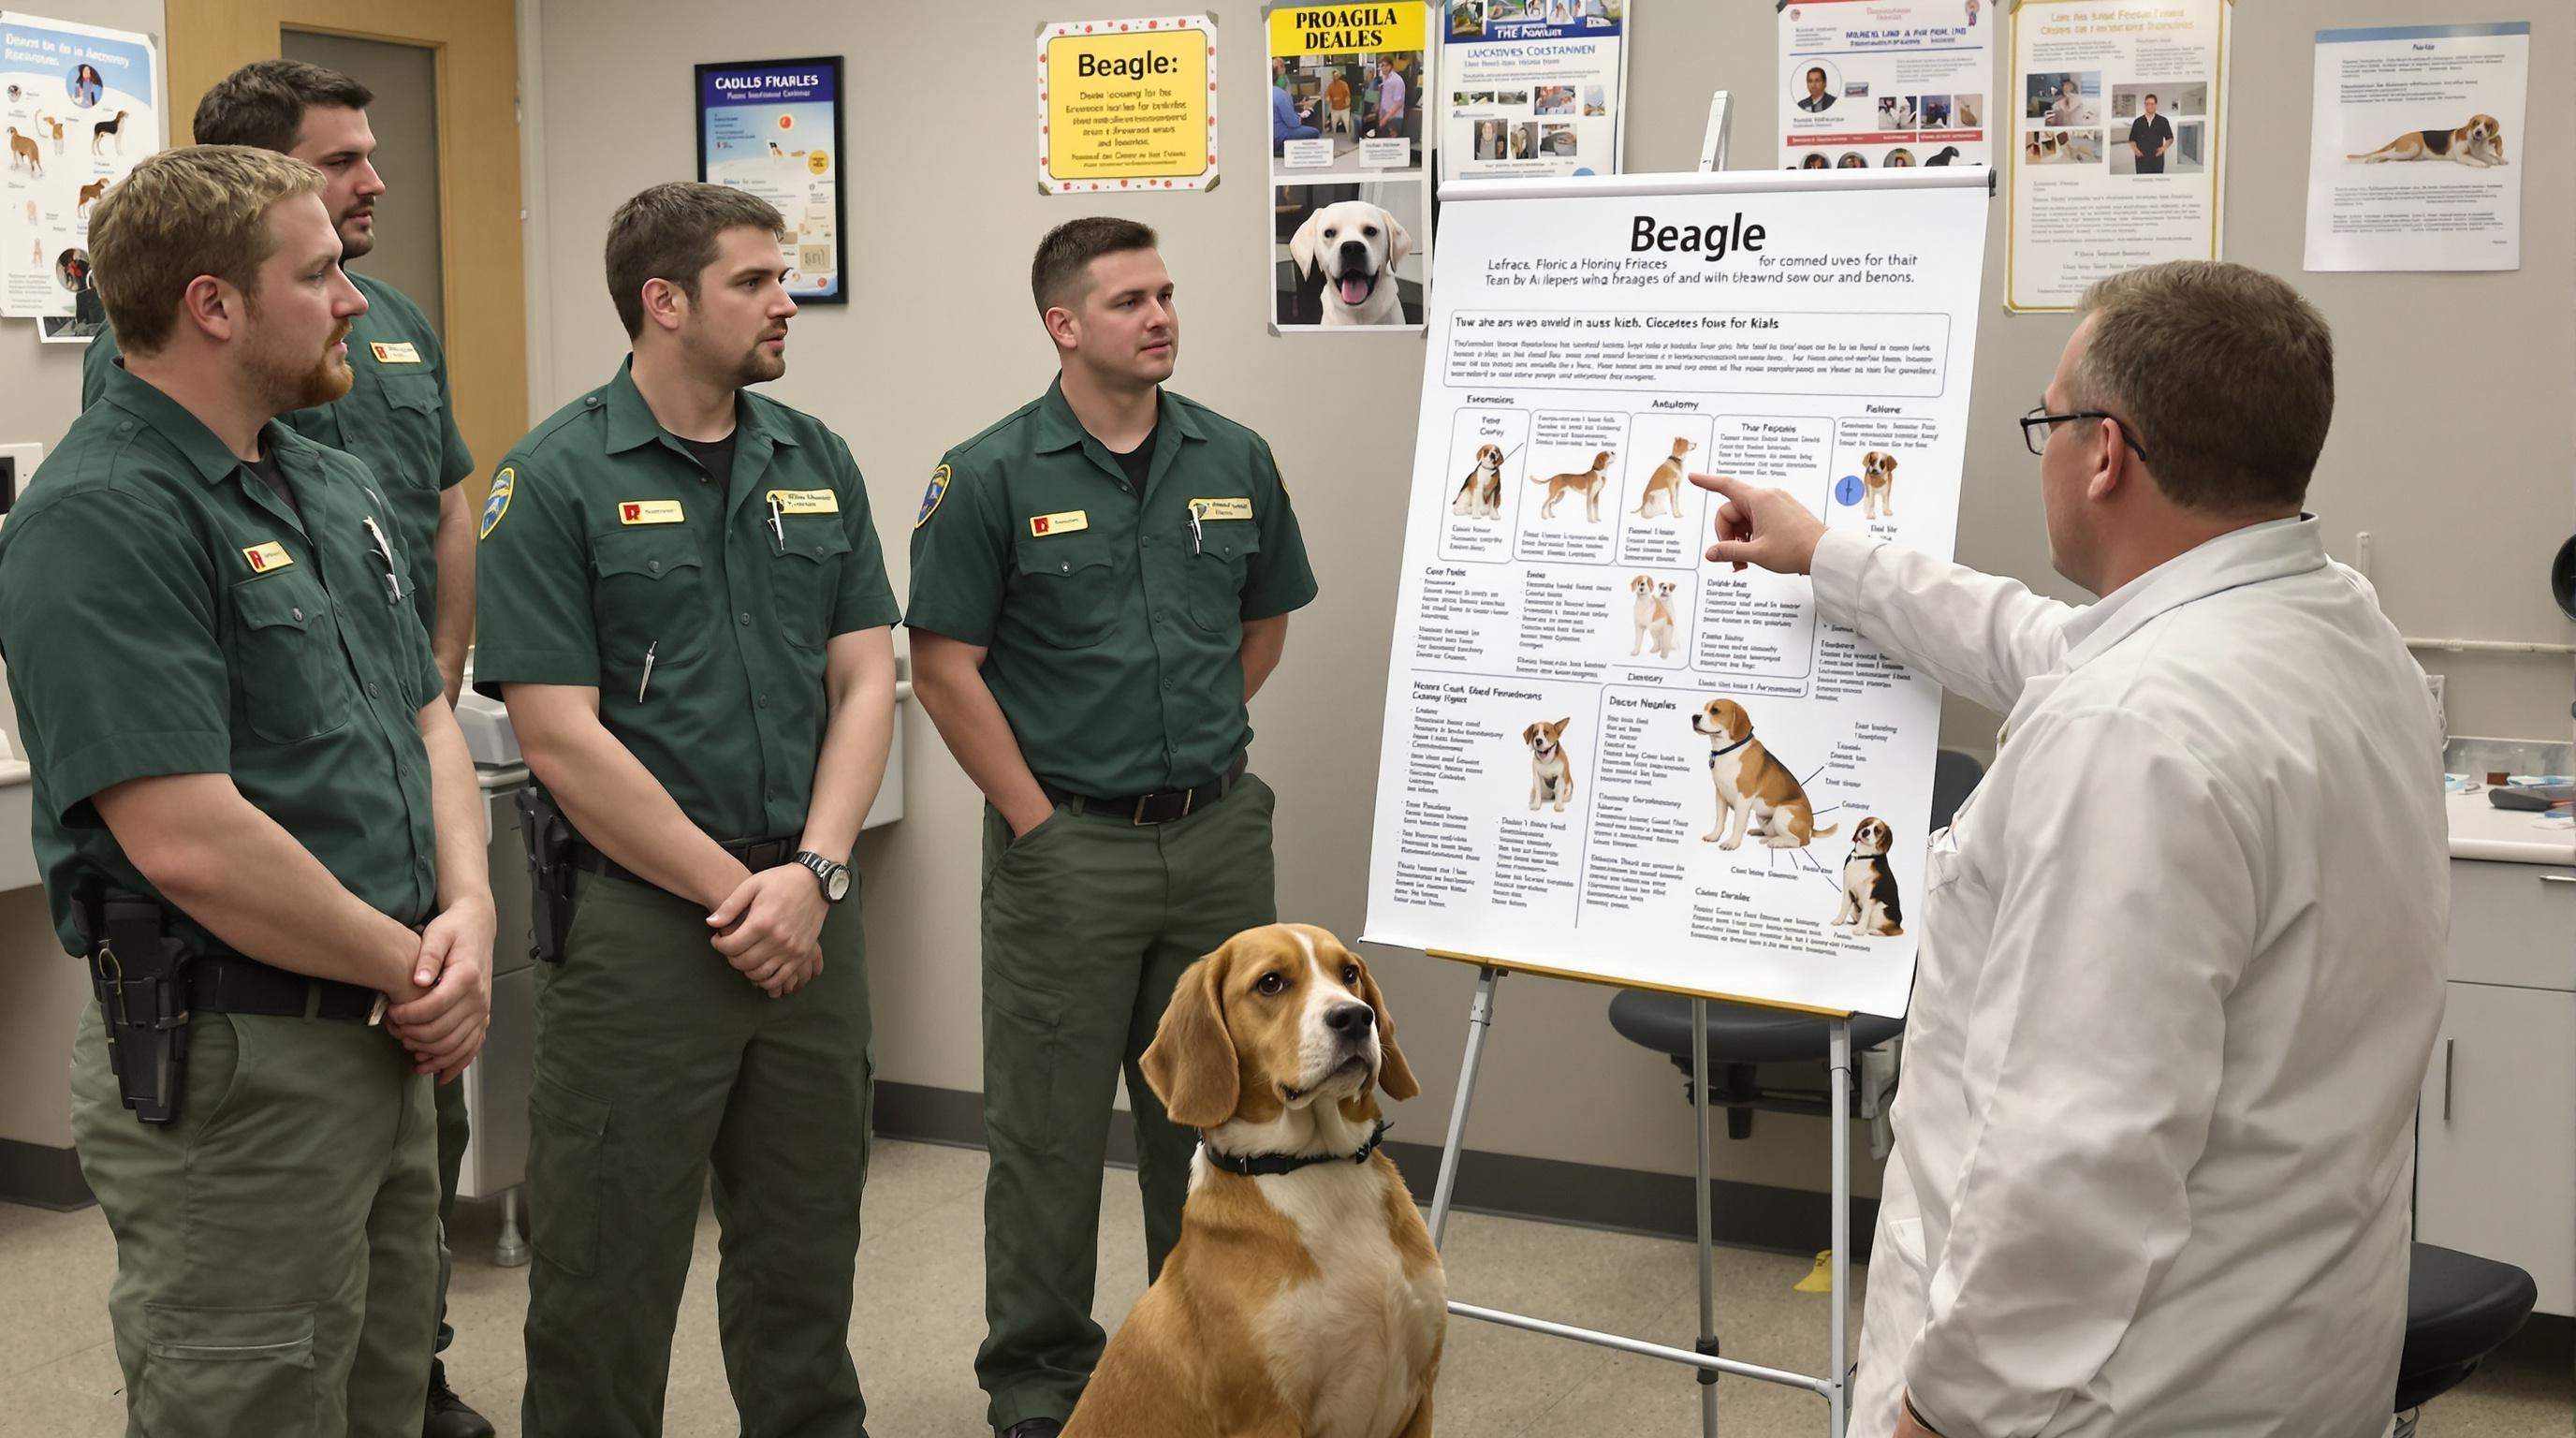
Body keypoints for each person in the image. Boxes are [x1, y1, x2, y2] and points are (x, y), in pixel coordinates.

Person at [1689, 260, 2447, 1438]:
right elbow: (2044, 644)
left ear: (2103, 453)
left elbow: (2074, 1155)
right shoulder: (2336, 631)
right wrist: (1828, 556)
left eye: (2047, 419)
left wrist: (1943, 1414)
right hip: (2288, 1349)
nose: (2040, 448)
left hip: (2110, 1396)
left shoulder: (2131, 733)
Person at [0, 144, 493, 1437]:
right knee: (250, 1396)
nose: (352, 301)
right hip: (241, 1063)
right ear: (213, 304)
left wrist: (472, 917)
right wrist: (415, 965)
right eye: (320, 271)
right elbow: (187, 840)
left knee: (385, 1387)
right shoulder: (103, 517)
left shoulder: (323, 483)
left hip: (388, 1034)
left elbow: (427, 714)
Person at [472, 181, 898, 1438]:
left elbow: (868, 672)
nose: (786, 302)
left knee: (807, 1248)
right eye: (756, 281)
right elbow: (557, 732)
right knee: (608, 1270)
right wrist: (741, 895)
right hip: (649, 931)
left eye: (785, 276)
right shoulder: (554, 477)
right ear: (665, 302)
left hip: (811, 914)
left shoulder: (812, 458)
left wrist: (812, 876)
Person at [907, 216, 1317, 1438]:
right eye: (1132, 299)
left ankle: (1209, 1355)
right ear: (1064, 325)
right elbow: (944, 668)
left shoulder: (1233, 458)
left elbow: (1262, 624)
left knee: (1228, 1117)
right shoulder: (987, 476)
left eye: (1168, 294)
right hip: (1065, 847)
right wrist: (1038, 819)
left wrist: (1183, 748)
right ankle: (1043, 1387)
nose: (1161, 316)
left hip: (1215, 836)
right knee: (1049, 1131)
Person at [1269, 59, 1318, 151]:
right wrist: (1301, 116)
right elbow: (1293, 123)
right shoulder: (1279, 94)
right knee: (1314, 132)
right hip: (1279, 135)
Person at [2129, 91, 2174, 173]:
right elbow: (2132, 139)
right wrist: (2136, 150)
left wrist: (2164, 148)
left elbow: (2170, 138)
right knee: (2142, 182)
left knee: (2157, 182)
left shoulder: (2163, 121)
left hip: (2157, 159)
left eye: (2152, 103)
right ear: (2145, 105)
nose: (2149, 106)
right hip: (2142, 159)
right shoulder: (2137, 122)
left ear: (2156, 104)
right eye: (2147, 104)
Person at [1375, 56, 1409, 139]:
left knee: (1392, 146)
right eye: (1381, 66)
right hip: (1385, 117)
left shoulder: (1396, 80)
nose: (1381, 68)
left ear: (1389, 66)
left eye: (1383, 65)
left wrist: (1385, 119)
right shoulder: (1385, 79)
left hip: (1394, 119)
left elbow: (1398, 104)